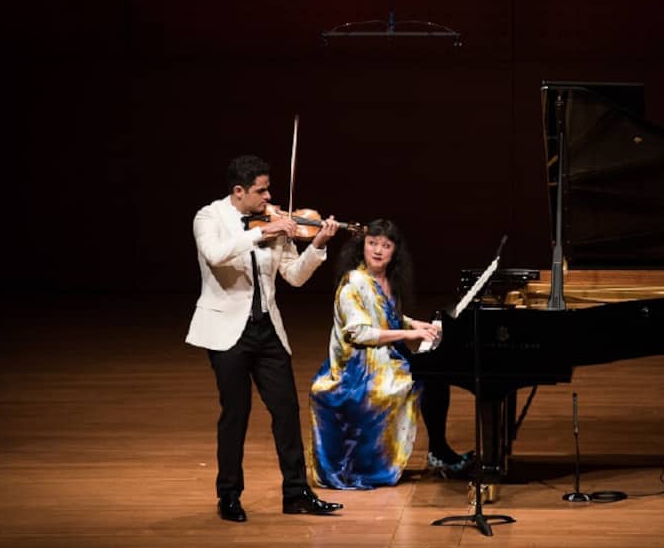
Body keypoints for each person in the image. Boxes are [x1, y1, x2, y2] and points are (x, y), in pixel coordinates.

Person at [186, 154, 344, 521]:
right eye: (261, 190)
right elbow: (216, 254)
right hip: (228, 332)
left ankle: (296, 493)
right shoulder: (209, 218)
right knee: (235, 414)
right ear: (238, 191)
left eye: (269, 188)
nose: (269, 197)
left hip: (267, 329)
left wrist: (317, 245)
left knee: (286, 410)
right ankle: (228, 496)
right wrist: (262, 232)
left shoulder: (273, 221)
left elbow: (294, 277)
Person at [309, 219, 472, 490]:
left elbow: (386, 317)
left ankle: (438, 451)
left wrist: (412, 324)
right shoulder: (354, 282)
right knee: (428, 379)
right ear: (362, 246)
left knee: (435, 376)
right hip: (357, 370)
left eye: (385, 245)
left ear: (395, 251)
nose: (377, 250)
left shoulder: (386, 280)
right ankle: (437, 452)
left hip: (383, 359)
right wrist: (409, 335)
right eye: (372, 243)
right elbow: (359, 333)